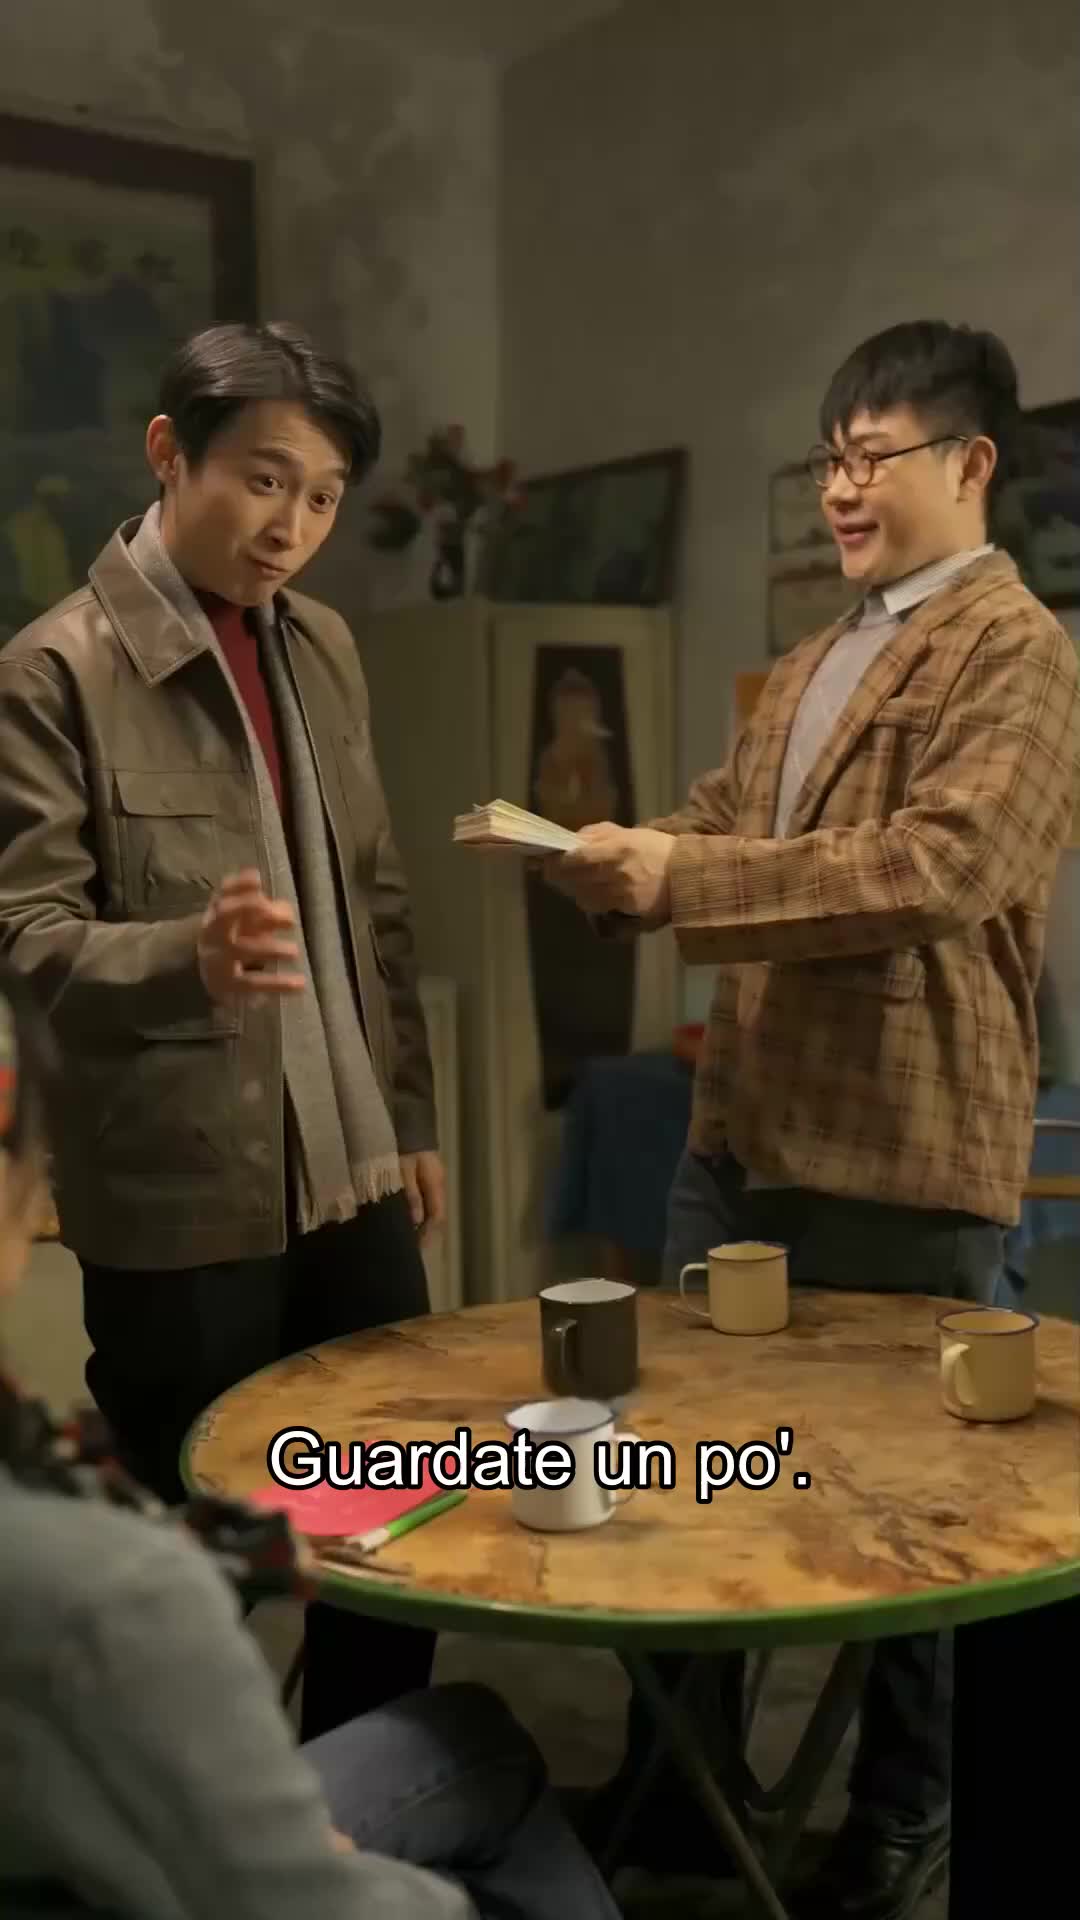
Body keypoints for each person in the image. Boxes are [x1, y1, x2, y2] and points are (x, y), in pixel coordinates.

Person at [545, 320, 1080, 1917]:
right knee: (694, 1462)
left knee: (911, 1513)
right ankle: (682, 1791)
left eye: (872, 457)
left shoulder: (1020, 651)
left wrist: (685, 879)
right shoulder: (814, 655)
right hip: (741, 1133)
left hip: (904, 1151)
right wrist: (609, 855)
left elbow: (939, 868)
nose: (841, 488)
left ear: (969, 464)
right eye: (830, 458)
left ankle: (900, 1815)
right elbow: (726, 820)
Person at [0, 321, 446, 1742]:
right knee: (195, 1557)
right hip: (179, 1190)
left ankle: (362, 1793)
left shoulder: (322, 644)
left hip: (352, 1168)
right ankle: (188, 1820)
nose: (291, 527)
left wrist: (411, 1118)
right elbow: (25, 937)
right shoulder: (54, 670)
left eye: (321, 497)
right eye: (263, 481)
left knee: (394, 1514)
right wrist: (182, 959)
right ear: (167, 453)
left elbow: (377, 903)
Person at [0, 963, 622, 1920]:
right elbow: (294, 1898)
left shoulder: (91, 1544)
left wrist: (229, 1546)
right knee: (479, 1750)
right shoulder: (113, 1592)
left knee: (467, 1731)